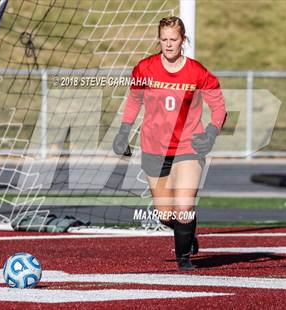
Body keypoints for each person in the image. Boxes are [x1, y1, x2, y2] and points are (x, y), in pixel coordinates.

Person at [113, 16, 226, 270]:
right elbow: (133, 101)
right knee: (166, 215)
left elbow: (218, 106)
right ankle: (186, 234)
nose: (168, 44)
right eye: (164, 39)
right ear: (158, 40)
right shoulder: (145, 68)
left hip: (188, 148)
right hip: (154, 148)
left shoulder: (197, 72)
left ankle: (183, 258)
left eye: (173, 39)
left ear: (183, 40)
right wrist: (123, 131)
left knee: (184, 206)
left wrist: (211, 132)